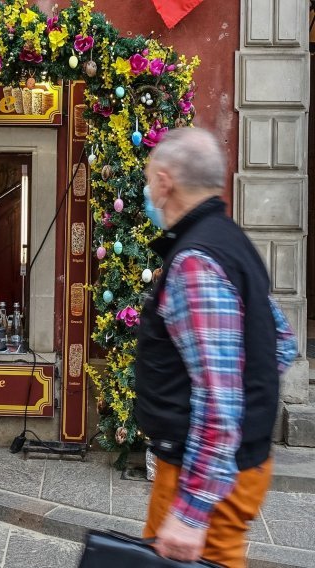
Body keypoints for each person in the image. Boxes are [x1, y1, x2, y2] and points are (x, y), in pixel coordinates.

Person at [135, 128, 297, 567]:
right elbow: (281, 343)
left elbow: (219, 395)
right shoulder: (231, 242)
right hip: (236, 467)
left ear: (165, 182)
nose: (148, 192)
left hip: (201, 476)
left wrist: (191, 512)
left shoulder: (195, 261)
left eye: (149, 180)